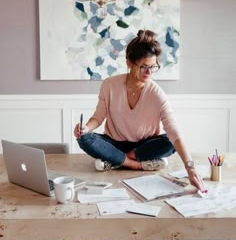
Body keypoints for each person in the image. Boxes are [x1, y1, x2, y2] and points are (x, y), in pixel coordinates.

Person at [74, 29, 206, 192]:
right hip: (114, 143)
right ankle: (135, 165)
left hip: (143, 147)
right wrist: (85, 128)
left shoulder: (157, 93)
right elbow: (99, 116)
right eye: (143, 66)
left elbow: (174, 131)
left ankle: (114, 161)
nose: (149, 72)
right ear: (129, 62)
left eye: (153, 66)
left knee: (169, 142)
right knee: (84, 138)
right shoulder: (109, 85)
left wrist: (190, 167)